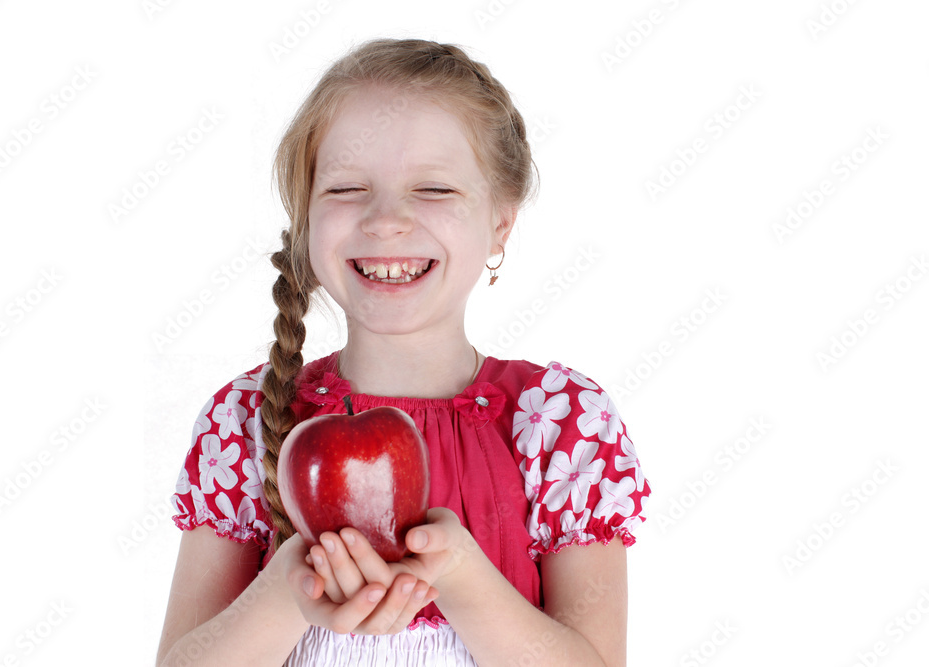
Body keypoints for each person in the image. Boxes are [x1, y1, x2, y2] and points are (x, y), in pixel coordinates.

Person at [156, 37, 650, 667]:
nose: (386, 221)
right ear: (306, 218)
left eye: (434, 190)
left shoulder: (559, 422)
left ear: (501, 219)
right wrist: (289, 591)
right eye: (347, 188)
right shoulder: (246, 419)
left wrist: (463, 577)